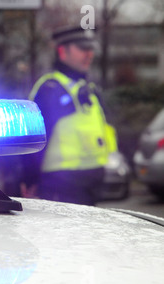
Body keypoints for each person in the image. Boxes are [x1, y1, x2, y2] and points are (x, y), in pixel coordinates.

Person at [21, 26, 117, 206]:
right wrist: (30, 180)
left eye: (91, 49)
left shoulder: (89, 88)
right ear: (62, 51)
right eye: (82, 49)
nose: (89, 54)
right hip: (60, 184)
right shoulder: (51, 89)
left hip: (92, 183)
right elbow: (32, 139)